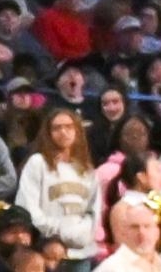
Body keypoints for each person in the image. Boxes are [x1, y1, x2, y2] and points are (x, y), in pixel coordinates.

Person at [15, 109, 99, 272]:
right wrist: (56, 235)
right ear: (48, 133)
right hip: (45, 251)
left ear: (77, 131)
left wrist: (78, 235)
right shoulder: (37, 163)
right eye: (57, 128)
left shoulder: (88, 171)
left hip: (80, 256)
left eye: (68, 127)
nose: (63, 132)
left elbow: (93, 213)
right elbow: (27, 209)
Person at [94, 198, 161, 272]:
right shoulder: (111, 268)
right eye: (134, 227)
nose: (141, 232)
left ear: (157, 232)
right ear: (124, 233)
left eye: (147, 226)